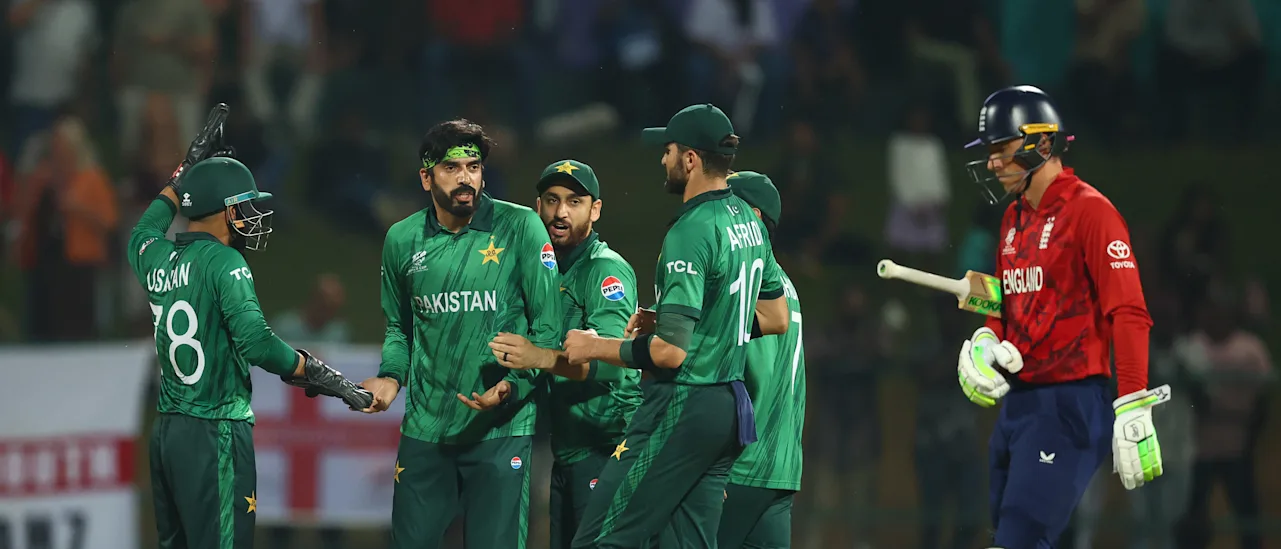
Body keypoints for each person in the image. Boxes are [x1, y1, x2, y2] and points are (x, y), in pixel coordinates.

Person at [127, 119, 371, 549]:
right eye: (243, 206)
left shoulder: (156, 256)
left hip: (168, 433)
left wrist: (184, 170)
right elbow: (257, 342)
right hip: (215, 429)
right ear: (223, 209)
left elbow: (144, 230)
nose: (251, 216)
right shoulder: (226, 263)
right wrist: (320, 375)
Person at [560, 104, 791, 548]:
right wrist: (689, 324)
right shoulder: (749, 222)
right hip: (729, 407)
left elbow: (670, 353)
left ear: (690, 159)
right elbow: (774, 318)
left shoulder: (691, 229)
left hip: (683, 404)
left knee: (599, 539)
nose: (662, 161)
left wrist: (596, 347)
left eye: (667, 151)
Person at [954, 85, 1164, 549]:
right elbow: (1004, 307)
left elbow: (1128, 310)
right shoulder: (1013, 218)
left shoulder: (1091, 212)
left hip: (1069, 404)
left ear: (1041, 143)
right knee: (1008, 536)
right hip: (1020, 407)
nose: (991, 162)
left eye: (1001, 149)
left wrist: (1133, 404)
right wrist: (987, 342)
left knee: (1020, 539)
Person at [358, 119, 562, 549]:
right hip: (426, 431)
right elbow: (399, 327)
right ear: (426, 177)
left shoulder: (520, 227)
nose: (466, 177)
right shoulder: (401, 239)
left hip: (500, 428)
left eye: (473, 166)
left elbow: (547, 330)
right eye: (452, 168)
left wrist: (510, 387)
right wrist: (392, 376)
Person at [488, 159, 644, 548]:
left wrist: (537, 357)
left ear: (595, 210)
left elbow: (612, 364)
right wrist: (511, 386)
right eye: (552, 200)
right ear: (537, 206)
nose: (560, 213)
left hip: (609, 447)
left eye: (574, 202)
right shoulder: (544, 272)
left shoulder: (605, 271)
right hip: (569, 449)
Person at [717, 171, 807, 549]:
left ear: (751, 217)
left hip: (741, 466)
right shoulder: (784, 284)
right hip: (780, 467)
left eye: (726, 208)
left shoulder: (745, 281)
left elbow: (759, 373)